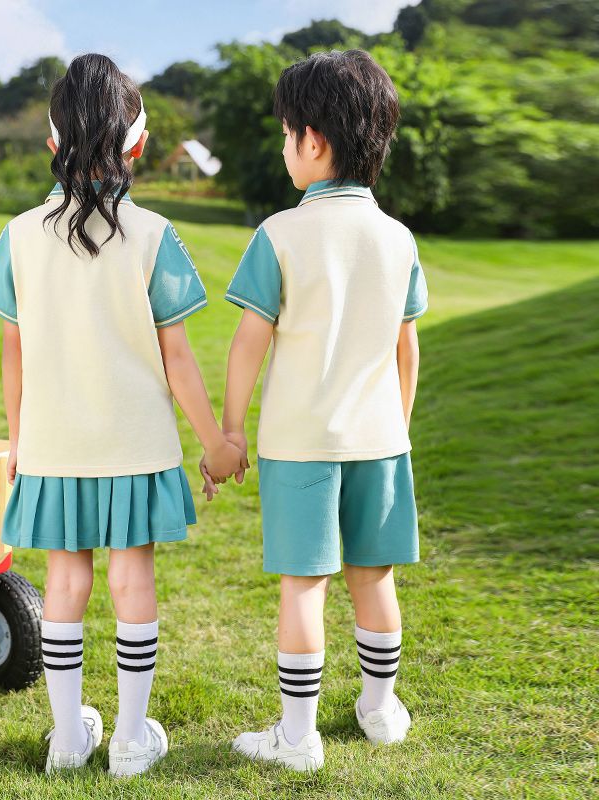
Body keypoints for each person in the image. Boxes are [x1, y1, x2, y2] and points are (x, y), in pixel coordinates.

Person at [0, 53, 245, 778]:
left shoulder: (18, 235)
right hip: (136, 445)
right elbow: (179, 361)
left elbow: (15, 355)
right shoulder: (155, 235)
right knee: (133, 583)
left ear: (51, 144)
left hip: (55, 445)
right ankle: (130, 739)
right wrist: (217, 442)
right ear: (138, 146)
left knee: (64, 586)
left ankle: (68, 738)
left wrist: (17, 439)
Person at [204, 49, 429, 772]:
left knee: (306, 583)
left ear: (314, 141)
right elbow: (407, 350)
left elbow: (247, 345)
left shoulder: (279, 234)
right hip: (379, 439)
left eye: (284, 131)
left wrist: (231, 432)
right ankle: (379, 709)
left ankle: (298, 738)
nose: (282, 145)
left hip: (300, 443)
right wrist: (398, 424)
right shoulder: (399, 239)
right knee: (375, 577)